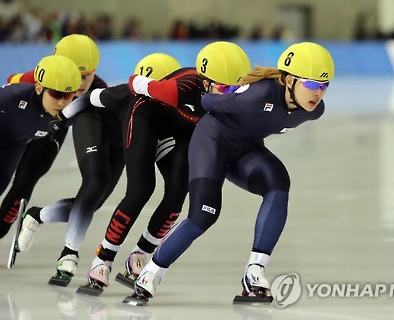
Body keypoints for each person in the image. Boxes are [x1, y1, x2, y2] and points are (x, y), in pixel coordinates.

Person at [124, 42, 335, 305]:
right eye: (312, 85)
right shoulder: (258, 96)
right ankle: (150, 274)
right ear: (290, 80)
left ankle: (255, 272)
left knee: (278, 182)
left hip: (245, 150)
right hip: (211, 143)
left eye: (325, 85)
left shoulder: (314, 111)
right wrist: (228, 92)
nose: (319, 93)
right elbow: (208, 100)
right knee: (204, 215)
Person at [80, 41, 251, 295]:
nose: (230, 94)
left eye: (236, 88)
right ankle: (102, 260)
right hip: (146, 118)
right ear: (204, 82)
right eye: (224, 87)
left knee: (178, 193)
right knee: (141, 189)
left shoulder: (234, 95)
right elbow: (134, 85)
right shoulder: (180, 87)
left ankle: (140, 254)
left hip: (182, 131)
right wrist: (75, 105)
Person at [15, 52, 183, 286]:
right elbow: (87, 99)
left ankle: (36, 215)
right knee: (95, 183)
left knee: (94, 203)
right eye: (146, 94)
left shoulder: (178, 100)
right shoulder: (125, 92)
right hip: (94, 121)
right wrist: (62, 117)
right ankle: (69, 253)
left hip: (123, 139)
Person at [0, 34, 107, 267]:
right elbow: (11, 82)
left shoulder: (98, 89)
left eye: (89, 75)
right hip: (25, 125)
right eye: (78, 74)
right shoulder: (45, 74)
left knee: (25, 181)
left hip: (50, 134)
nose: (83, 83)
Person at [0, 55, 81, 247]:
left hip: (12, 146)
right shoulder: (14, 96)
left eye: (68, 96)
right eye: (56, 94)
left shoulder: (68, 114)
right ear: (39, 88)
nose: (62, 102)